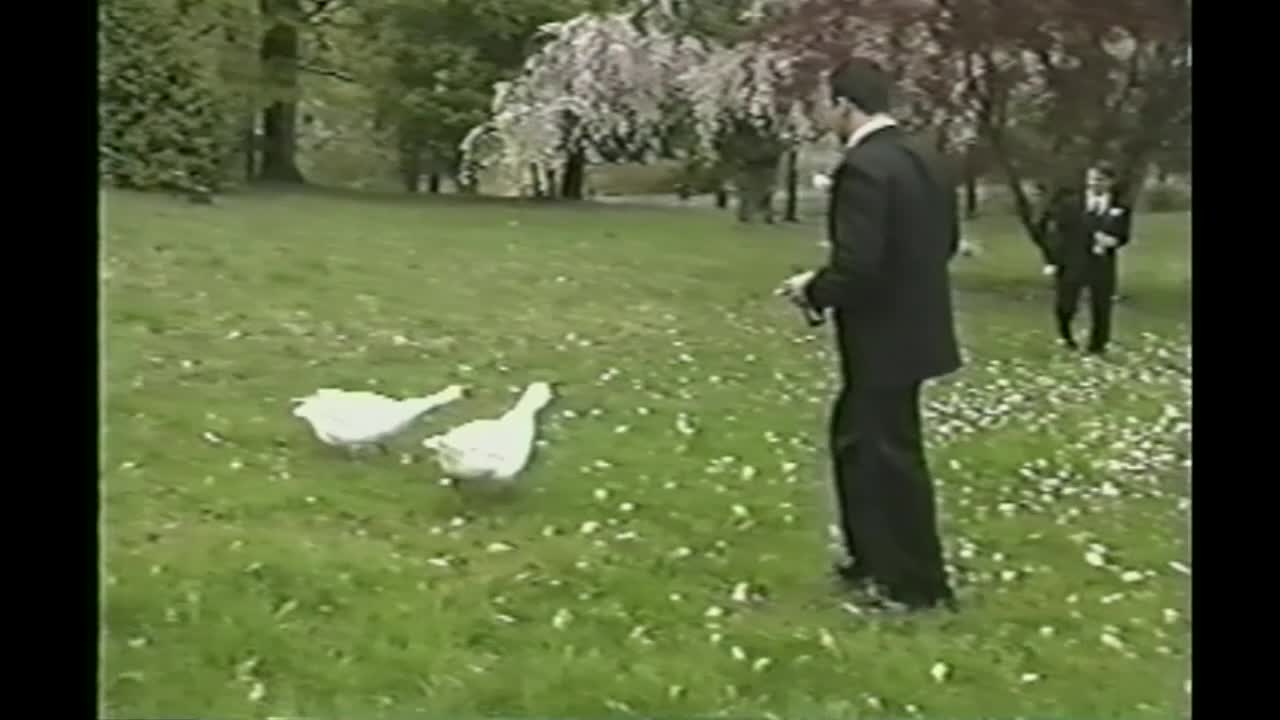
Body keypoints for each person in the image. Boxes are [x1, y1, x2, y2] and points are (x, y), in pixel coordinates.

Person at [776, 58, 962, 613]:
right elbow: (943, 243)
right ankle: (869, 559)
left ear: (843, 105)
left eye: (825, 106)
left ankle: (917, 585)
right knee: (857, 443)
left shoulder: (864, 167)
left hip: (882, 336)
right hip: (917, 328)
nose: (822, 116)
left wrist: (811, 289)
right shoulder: (923, 156)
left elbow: (858, 267)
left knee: (887, 456)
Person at [1044, 163, 1133, 354]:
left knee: (1102, 305)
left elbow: (1124, 235)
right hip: (1072, 261)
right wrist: (1053, 260)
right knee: (1066, 305)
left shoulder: (1120, 206)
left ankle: (1098, 346)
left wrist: (1113, 241)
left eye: (1100, 180)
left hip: (1102, 264)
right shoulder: (1070, 204)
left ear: (1110, 182)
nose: (1094, 184)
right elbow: (1057, 235)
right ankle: (1066, 336)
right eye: (1091, 179)